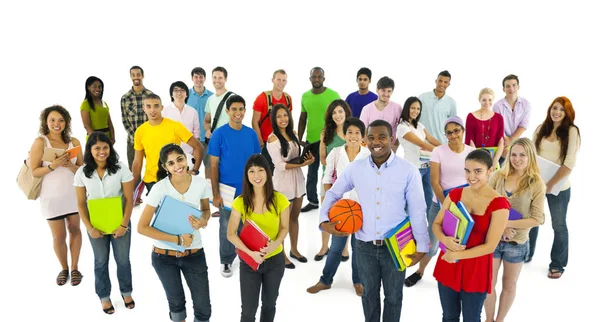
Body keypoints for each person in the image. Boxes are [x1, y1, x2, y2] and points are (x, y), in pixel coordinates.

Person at [320, 120, 429, 321]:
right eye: (371, 137)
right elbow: (334, 192)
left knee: (394, 297)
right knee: (368, 295)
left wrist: (422, 244)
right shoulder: (356, 168)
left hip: (397, 245)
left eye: (381, 137)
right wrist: (324, 220)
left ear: (392, 139)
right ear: (365, 140)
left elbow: (417, 210)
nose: (376, 142)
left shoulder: (408, 171)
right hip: (364, 246)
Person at [432, 149, 510, 322]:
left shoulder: (499, 204)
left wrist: (457, 254)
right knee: (449, 316)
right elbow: (436, 224)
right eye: (467, 171)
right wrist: (444, 240)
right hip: (449, 264)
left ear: (490, 171)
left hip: (476, 269)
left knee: (471, 318)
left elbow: (490, 246)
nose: (471, 176)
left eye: (478, 171)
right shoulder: (455, 194)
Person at [137, 144, 212, 322]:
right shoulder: (159, 189)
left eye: (180, 159)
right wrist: (177, 239)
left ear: (186, 158)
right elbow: (142, 227)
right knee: (177, 306)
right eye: (171, 163)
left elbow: (206, 210)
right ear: (165, 167)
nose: (177, 165)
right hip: (164, 257)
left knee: (203, 308)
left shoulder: (200, 183)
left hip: (194, 253)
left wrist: (203, 220)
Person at [404, 116, 475, 287]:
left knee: (462, 243)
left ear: (463, 131)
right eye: (449, 133)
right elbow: (435, 182)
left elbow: (475, 180)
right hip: (441, 204)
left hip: (465, 206)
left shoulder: (471, 152)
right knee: (433, 242)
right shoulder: (439, 151)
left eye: (456, 131)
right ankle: (420, 271)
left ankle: (457, 275)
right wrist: (447, 205)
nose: (453, 135)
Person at [483, 138, 545, 322]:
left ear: (530, 157)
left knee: (509, 285)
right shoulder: (497, 176)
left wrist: (506, 224)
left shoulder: (537, 184)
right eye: (514, 154)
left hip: (516, 243)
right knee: (488, 284)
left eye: (522, 155)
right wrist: (499, 227)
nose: (517, 159)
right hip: (492, 240)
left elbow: (537, 219)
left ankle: (500, 320)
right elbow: (485, 206)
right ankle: (488, 319)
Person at [307, 117, 369, 296]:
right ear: (344, 134)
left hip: (360, 210)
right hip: (341, 209)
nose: (353, 136)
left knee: (359, 249)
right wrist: (332, 204)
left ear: (363, 136)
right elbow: (327, 179)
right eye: (350, 132)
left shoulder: (367, 156)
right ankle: (325, 281)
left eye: (358, 133)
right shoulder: (335, 152)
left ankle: (358, 281)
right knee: (335, 247)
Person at [74, 132, 135, 314]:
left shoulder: (121, 168)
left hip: (120, 223)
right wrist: (90, 228)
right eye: (97, 148)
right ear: (90, 150)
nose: (102, 151)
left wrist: (124, 225)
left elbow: (129, 199)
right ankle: (104, 296)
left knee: (123, 260)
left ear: (110, 148)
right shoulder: (81, 173)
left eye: (105, 147)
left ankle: (126, 292)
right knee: (100, 261)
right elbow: (80, 203)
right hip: (95, 225)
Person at [227, 154, 291, 322]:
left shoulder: (280, 200)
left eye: (261, 170)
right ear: (246, 176)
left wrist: (274, 245)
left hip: (275, 261)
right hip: (249, 262)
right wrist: (250, 253)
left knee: (269, 306)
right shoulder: (240, 202)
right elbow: (231, 234)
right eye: (252, 171)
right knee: (248, 311)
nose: (257, 176)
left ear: (268, 173)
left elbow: (285, 228)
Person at [29, 105, 84, 286]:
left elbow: (83, 171)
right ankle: (64, 268)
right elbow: (35, 171)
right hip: (51, 198)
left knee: (75, 230)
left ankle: (75, 268)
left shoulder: (74, 142)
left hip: (73, 196)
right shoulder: (41, 142)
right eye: (52, 120)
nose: (56, 124)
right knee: (58, 236)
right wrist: (53, 165)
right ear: (46, 122)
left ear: (66, 122)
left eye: (60, 120)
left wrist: (69, 165)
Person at [208, 94, 261, 277]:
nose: (238, 113)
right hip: (227, 191)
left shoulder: (251, 134)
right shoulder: (219, 134)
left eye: (241, 109)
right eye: (234, 109)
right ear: (227, 111)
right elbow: (213, 166)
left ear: (245, 111)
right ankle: (226, 260)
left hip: (249, 190)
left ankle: (248, 256)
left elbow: (257, 164)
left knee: (248, 225)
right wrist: (215, 194)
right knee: (226, 226)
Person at [529, 96, 580, 278]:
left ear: (567, 113)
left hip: (558, 187)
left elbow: (569, 163)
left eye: (561, 110)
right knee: (532, 220)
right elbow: (531, 155)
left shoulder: (572, 132)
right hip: (536, 184)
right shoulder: (541, 129)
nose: (557, 112)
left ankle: (557, 263)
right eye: (554, 108)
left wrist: (550, 185)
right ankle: (527, 254)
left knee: (558, 225)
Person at [266, 104, 314, 268]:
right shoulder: (273, 139)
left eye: (285, 115)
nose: (283, 119)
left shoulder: (293, 134)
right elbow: (279, 166)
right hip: (283, 183)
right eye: (279, 116)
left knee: (294, 217)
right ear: (274, 119)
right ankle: (282, 254)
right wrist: (302, 164)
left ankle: (294, 250)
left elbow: (298, 158)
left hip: (297, 181)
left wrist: (308, 160)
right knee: (282, 222)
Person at [131, 93, 203, 197]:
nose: (152, 110)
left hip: (173, 179)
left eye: (156, 106)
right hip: (151, 181)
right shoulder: (140, 131)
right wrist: (134, 188)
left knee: (177, 212)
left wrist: (194, 171)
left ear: (162, 108)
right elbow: (137, 162)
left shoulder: (175, 126)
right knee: (158, 213)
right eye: (148, 106)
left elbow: (198, 147)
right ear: (144, 108)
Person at [298, 67, 341, 213]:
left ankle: (333, 198)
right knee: (311, 172)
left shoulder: (333, 95)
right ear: (310, 78)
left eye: (319, 77)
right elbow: (303, 117)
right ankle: (313, 201)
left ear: (323, 78)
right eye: (313, 77)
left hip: (330, 140)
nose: (316, 79)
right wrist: (299, 138)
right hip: (311, 141)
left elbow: (341, 116)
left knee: (330, 171)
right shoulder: (305, 96)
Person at [314, 99, 351, 262]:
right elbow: (322, 158)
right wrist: (333, 164)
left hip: (348, 181)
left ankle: (344, 247)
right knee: (326, 213)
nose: (337, 115)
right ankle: (324, 246)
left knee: (347, 213)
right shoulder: (325, 133)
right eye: (334, 112)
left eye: (340, 111)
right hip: (328, 179)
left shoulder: (352, 132)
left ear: (346, 112)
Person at [396, 96, 442, 222]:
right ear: (407, 109)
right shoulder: (402, 127)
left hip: (427, 168)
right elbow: (422, 144)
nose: (415, 111)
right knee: (409, 202)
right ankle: (402, 231)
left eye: (418, 109)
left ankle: (432, 231)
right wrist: (441, 152)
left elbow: (431, 139)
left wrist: (446, 147)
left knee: (430, 200)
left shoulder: (420, 125)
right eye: (413, 108)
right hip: (413, 169)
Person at [252, 69, 293, 173]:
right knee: (268, 172)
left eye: (284, 80)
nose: (281, 83)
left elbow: (290, 121)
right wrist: (261, 142)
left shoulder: (288, 98)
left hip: (283, 142)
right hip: (267, 143)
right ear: (273, 80)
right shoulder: (262, 98)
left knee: (283, 171)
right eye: (279, 79)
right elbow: (254, 121)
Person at [492, 74, 531, 165]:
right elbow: (497, 128)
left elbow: (524, 125)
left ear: (518, 86)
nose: (511, 88)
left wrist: (512, 140)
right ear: (503, 89)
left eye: (514, 85)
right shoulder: (497, 106)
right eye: (508, 86)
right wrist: (505, 145)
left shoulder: (526, 104)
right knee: (502, 167)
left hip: (518, 141)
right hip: (503, 143)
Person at [121, 65, 154, 169]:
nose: (136, 77)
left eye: (138, 74)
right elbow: (125, 120)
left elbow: (154, 117)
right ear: (130, 77)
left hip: (149, 139)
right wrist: (136, 137)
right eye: (133, 75)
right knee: (133, 170)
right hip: (132, 141)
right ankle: (135, 186)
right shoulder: (125, 98)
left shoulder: (150, 95)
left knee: (153, 168)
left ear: (142, 76)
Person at [465, 88, 505, 168]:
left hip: (494, 158)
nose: (487, 103)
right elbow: (470, 141)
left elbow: (501, 141)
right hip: (476, 157)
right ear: (479, 100)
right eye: (484, 100)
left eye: (490, 100)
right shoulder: (471, 116)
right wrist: (477, 161)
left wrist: (494, 161)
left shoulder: (499, 118)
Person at [162, 81, 201, 161]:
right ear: (171, 94)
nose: (179, 93)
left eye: (182, 90)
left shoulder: (193, 112)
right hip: (170, 154)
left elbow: (196, 134)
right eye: (176, 90)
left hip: (189, 154)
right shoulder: (164, 112)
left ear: (186, 94)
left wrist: (194, 153)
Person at [188, 67, 214, 179]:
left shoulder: (212, 96)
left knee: (210, 168)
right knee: (191, 168)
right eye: (196, 77)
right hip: (191, 139)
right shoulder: (186, 95)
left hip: (208, 138)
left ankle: (209, 194)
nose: (198, 79)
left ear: (205, 78)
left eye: (201, 77)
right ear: (192, 78)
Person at [418, 70, 457, 143]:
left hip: (441, 143)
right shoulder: (422, 97)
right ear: (436, 81)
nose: (442, 84)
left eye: (445, 82)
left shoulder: (451, 102)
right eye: (440, 81)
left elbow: (453, 125)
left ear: (449, 84)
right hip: (422, 142)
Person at [359, 76, 402, 141]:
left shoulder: (397, 108)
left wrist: (396, 144)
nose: (386, 94)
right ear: (377, 90)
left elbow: (403, 129)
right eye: (383, 90)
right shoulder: (366, 109)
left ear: (392, 92)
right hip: (371, 148)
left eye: (389, 91)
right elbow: (362, 131)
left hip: (390, 148)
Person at [204, 66, 235, 143]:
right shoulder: (210, 99)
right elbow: (207, 121)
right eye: (214, 77)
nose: (217, 80)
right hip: (215, 141)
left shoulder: (233, 98)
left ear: (226, 79)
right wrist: (208, 130)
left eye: (220, 78)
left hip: (230, 140)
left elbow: (238, 120)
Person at [80, 76, 115, 142]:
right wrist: (96, 140)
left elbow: (110, 123)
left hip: (107, 138)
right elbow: (87, 125)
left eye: (100, 87)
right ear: (88, 87)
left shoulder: (104, 103)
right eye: (94, 86)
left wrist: (113, 138)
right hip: (94, 138)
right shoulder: (85, 104)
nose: (98, 89)